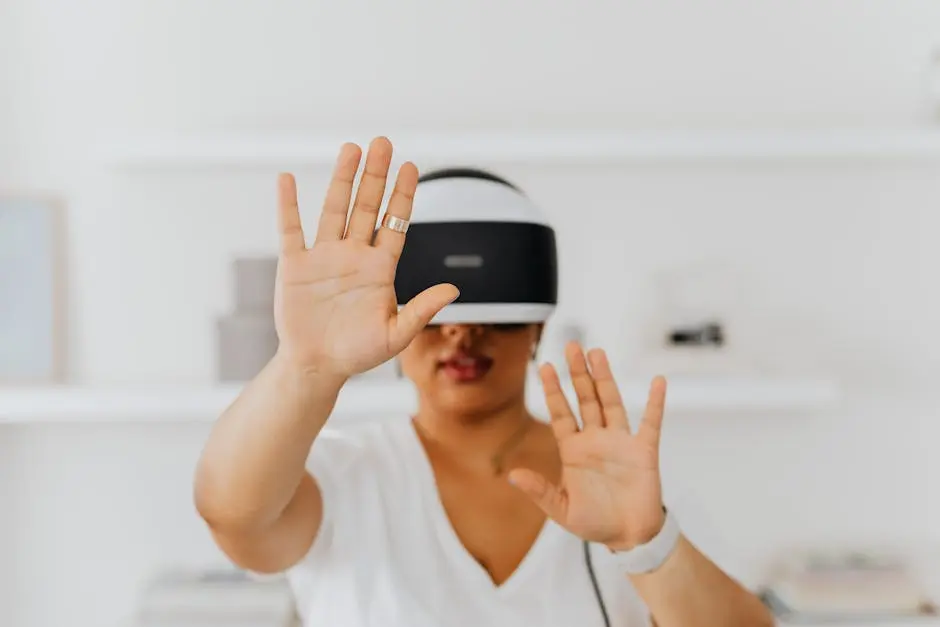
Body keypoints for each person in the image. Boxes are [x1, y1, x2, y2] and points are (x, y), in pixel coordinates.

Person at [193, 137, 775, 627]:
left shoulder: (623, 479)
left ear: (538, 327)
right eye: (435, 316)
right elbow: (231, 514)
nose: (462, 338)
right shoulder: (347, 476)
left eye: (494, 316)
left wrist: (647, 544)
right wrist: (306, 366)